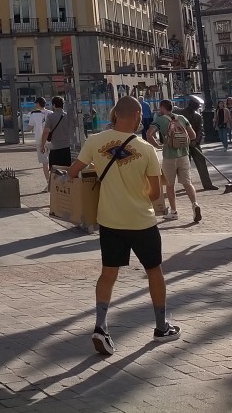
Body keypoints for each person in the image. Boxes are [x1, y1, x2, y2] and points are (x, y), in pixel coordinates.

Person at [67, 95, 178, 356]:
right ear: (138, 116)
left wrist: (100, 167)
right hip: (141, 221)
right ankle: (161, 327)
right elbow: (154, 194)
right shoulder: (147, 149)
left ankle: (101, 326)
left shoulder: (94, 141)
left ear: (116, 114)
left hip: (110, 220)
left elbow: (73, 172)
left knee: (108, 274)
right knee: (154, 271)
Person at [147, 100, 201, 223]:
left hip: (169, 156)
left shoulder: (160, 119)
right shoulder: (181, 118)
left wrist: (158, 145)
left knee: (170, 185)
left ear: (162, 108)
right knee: (187, 183)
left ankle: (174, 212)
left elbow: (149, 134)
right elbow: (192, 136)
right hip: (183, 155)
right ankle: (195, 204)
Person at [182, 97, 217, 191]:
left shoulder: (198, 116)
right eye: (196, 105)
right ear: (191, 104)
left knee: (201, 163)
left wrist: (196, 141)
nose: (198, 107)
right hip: (183, 144)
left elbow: (200, 130)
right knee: (185, 165)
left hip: (194, 144)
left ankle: (207, 184)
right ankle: (187, 184)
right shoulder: (180, 114)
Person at [41, 95, 77, 169]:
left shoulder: (51, 117)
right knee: (67, 170)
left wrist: (42, 145)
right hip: (67, 148)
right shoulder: (68, 116)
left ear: (53, 105)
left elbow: (46, 132)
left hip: (55, 148)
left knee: (55, 172)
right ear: (63, 105)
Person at [29, 97, 50, 189]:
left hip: (40, 140)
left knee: (45, 162)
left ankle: (48, 183)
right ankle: (56, 181)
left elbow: (29, 127)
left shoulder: (33, 114)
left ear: (38, 104)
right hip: (51, 139)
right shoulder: (50, 113)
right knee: (54, 161)